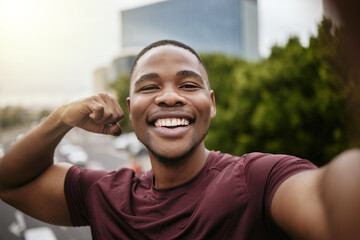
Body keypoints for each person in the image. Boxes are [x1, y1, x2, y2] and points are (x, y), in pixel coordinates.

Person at [0, 39, 359, 240]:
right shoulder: (104, 196)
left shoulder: (257, 179)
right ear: (131, 108)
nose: (170, 97)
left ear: (212, 104)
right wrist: (62, 117)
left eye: (188, 85)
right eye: (149, 87)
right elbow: (8, 181)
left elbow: (330, 205)